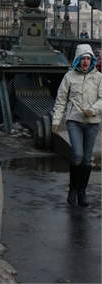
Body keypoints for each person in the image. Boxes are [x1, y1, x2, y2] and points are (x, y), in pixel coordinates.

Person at [52, 44, 102, 206]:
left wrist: (92, 111)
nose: (85, 62)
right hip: (74, 120)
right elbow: (61, 100)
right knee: (77, 155)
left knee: (87, 159)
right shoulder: (69, 77)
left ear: (92, 60)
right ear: (78, 60)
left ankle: (82, 192)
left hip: (92, 122)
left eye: (88, 59)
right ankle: (73, 189)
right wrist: (56, 121)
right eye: (83, 59)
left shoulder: (98, 77)